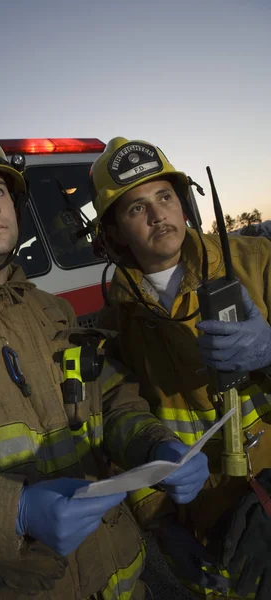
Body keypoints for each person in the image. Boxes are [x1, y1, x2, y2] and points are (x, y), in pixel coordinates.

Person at [0, 122, 209, 600]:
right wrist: (15, 510)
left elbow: (110, 400)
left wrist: (154, 445)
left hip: (119, 580)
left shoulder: (53, 311)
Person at [90, 137, 271, 600]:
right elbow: (120, 427)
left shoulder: (258, 263)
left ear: (184, 203)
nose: (158, 215)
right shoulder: (118, 325)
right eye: (136, 208)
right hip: (207, 530)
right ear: (114, 233)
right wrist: (160, 523)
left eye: (165, 196)